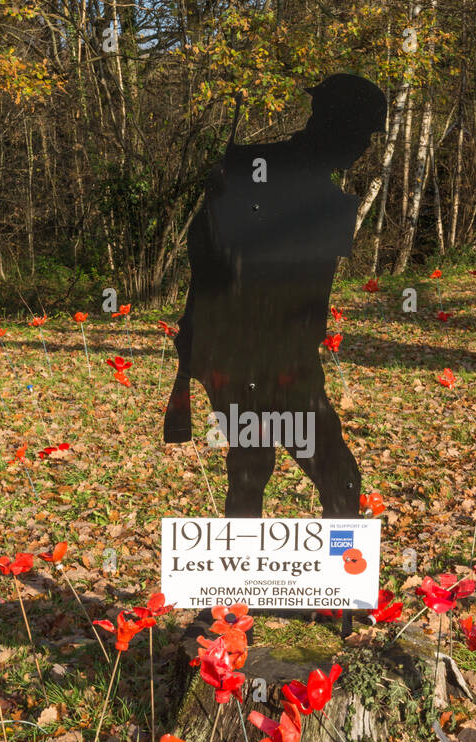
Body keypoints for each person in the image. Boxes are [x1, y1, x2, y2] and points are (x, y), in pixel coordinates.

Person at [163, 74, 387, 519]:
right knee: (293, 468)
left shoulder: (290, 181)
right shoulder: (265, 174)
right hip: (252, 352)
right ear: (334, 125)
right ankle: (264, 577)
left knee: (271, 466)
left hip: (272, 351)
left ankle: (330, 576)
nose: (364, 146)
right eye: (361, 133)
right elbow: (209, 255)